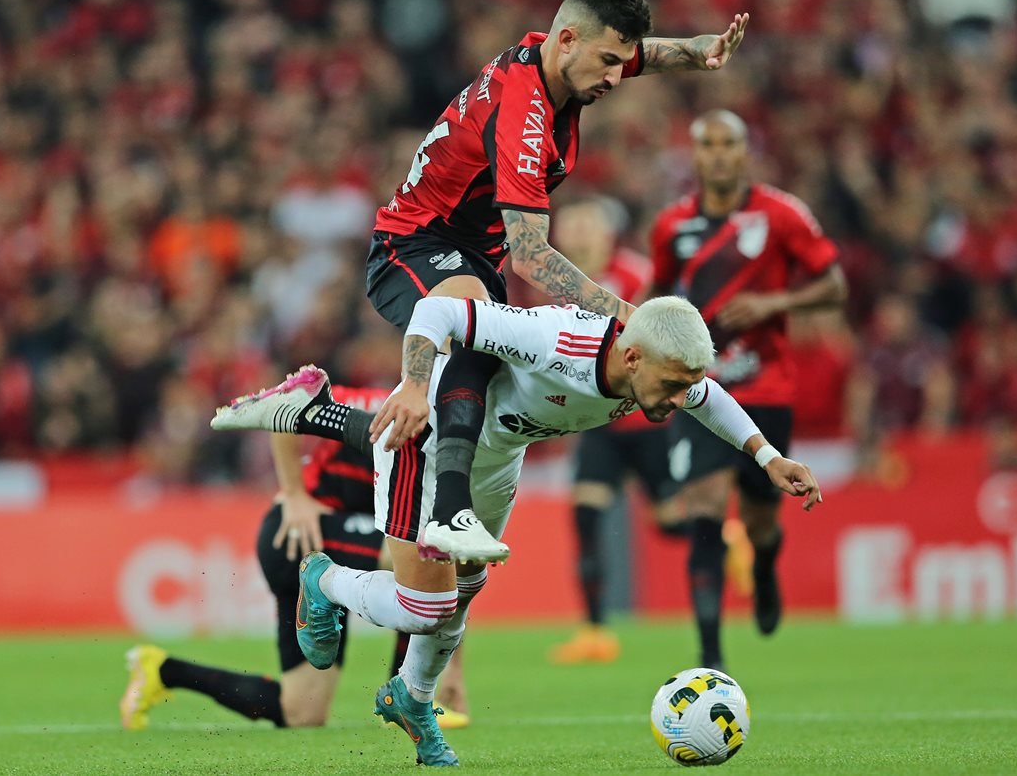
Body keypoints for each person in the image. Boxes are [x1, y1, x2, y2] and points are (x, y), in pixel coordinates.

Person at [211, 295, 822, 766]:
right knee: (426, 607)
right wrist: (419, 384)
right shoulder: (558, 339)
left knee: (464, 592)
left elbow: (710, 396)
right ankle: (325, 580)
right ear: (632, 357)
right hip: (429, 448)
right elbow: (437, 309)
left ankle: (412, 699)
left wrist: (769, 459)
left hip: (498, 459)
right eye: (670, 385)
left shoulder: (660, 372)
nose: (677, 399)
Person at [358, 0, 751, 565]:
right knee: (473, 334)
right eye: (609, 62)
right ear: (567, 40)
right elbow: (532, 255)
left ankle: (334, 418)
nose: (617, 76)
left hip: (470, 253)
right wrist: (626, 315)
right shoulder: (524, 115)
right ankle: (446, 512)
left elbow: (640, 53)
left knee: (474, 376)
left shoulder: (569, 61)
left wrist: (701, 53)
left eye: (622, 62)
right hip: (413, 245)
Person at [119, 386, 470, 730]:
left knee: (302, 712)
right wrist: (294, 493)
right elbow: (285, 411)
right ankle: (414, 697)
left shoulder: (455, 442)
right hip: (300, 533)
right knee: (417, 562)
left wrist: (452, 667)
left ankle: (162, 670)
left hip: (325, 548)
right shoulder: (383, 405)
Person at [649, 110, 848, 668]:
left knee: (762, 521)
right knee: (705, 507)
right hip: (697, 388)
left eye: (728, 144)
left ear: (744, 153)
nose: (717, 154)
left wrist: (774, 303)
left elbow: (835, 285)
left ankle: (762, 567)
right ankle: (711, 656)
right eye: (707, 144)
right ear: (695, 155)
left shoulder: (781, 215)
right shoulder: (671, 227)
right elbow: (656, 293)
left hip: (766, 389)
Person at [541, 195, 682, 665]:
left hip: (646, 421)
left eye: (586, 223)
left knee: (670, 522)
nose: (577, 233)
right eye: (571, 224)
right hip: (600, 425)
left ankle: (724, 535)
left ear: (606, 232)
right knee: (585, 517)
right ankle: (596, 631)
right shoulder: (562, 286)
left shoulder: (639, 278)